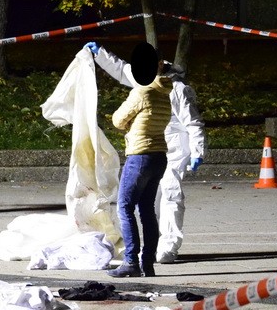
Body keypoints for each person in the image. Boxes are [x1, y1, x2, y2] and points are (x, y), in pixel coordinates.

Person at [86, 41, 206, 264]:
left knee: (169, 192)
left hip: (175, 145)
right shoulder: (145, 74)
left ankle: (168, 246)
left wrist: (197, 150)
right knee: (150, 202)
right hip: (154, 145)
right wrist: (99, 54)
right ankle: (152, 248)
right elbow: (122, 70)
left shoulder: (178, 89)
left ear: (160, 64)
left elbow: (193, 122)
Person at [100, 42, 172, 277]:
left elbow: (118, 120)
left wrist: (129, 124)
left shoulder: (142, 92)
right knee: (147, 209)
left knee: (125, 206)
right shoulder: (164, 92)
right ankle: (147, 263)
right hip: (159, 155)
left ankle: (130, 261)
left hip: (139, 156)